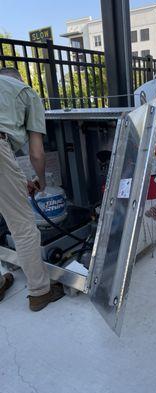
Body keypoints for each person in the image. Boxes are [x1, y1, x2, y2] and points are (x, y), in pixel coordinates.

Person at [0, 67, 64, 310]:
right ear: (18, 79)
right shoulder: (25, 91)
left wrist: (19, 182)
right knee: (24, 228)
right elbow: (36, 153)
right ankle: (40, 292)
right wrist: (42, 183)